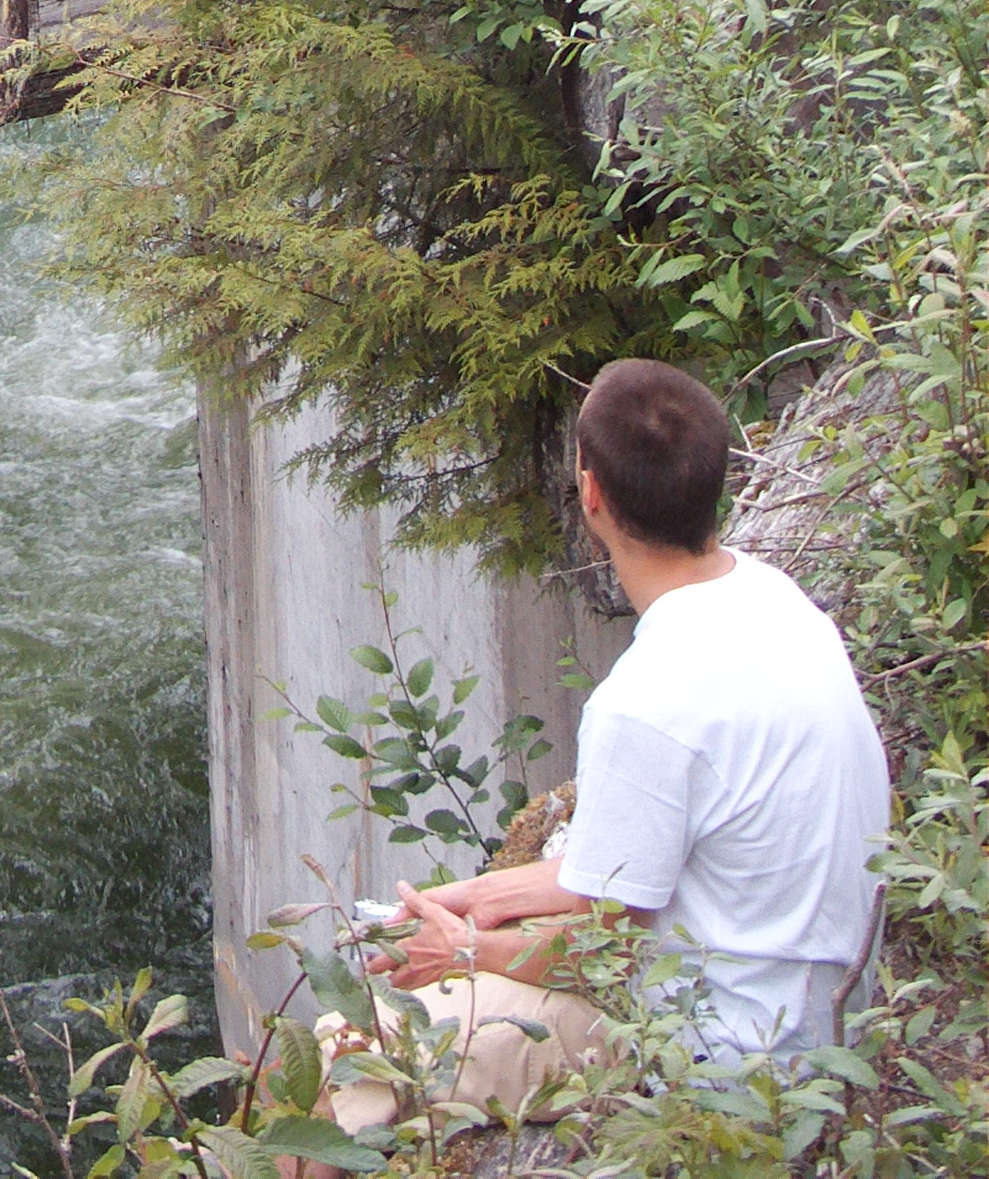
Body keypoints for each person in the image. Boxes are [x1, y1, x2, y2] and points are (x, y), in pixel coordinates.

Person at [315, 359, 891, 1145]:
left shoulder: (646, 701)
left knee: (353, 1051)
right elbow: (622, 880)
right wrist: (476, 897)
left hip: (726, 1059)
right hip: (827, 1011)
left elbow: (609, 954)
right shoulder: (779, 603)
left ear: (591, 495)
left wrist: (464, 948)